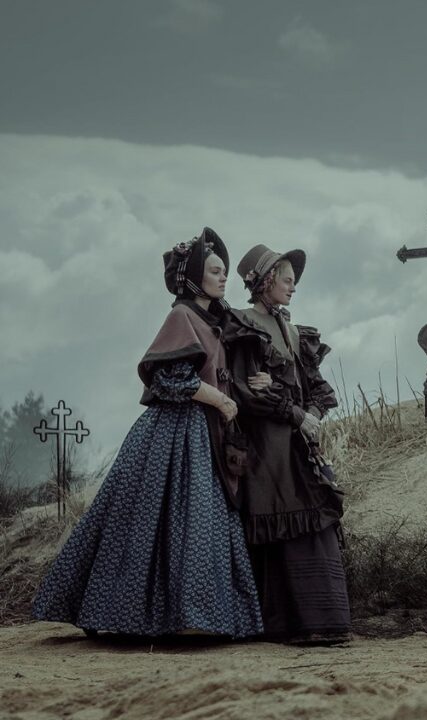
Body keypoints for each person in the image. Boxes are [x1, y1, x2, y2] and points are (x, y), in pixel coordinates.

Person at [32, 228, 263, 639]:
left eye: (225, 271)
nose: (223, 277)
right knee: (159, 524)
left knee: (198, 525)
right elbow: (170, 378)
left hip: (205, 435)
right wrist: (223, 402)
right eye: (215, 270)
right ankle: (149, 617)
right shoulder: (181, 316)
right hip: (176, 432)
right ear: (193, 276)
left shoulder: (212, 320)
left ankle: (196, 617)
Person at [224, 243, 349, 646]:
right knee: (281, 517)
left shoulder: (293, 331)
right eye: (286, 279)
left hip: (296, 442)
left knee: (314, 515)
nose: (293, 286)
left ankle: (325, 621)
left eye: (294, 280)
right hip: (266, 445)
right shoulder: (242, 326)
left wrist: (310, 414)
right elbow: (248, 393)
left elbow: (317, 388)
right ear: (264, 281)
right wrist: (296, 412)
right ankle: (288, 624)